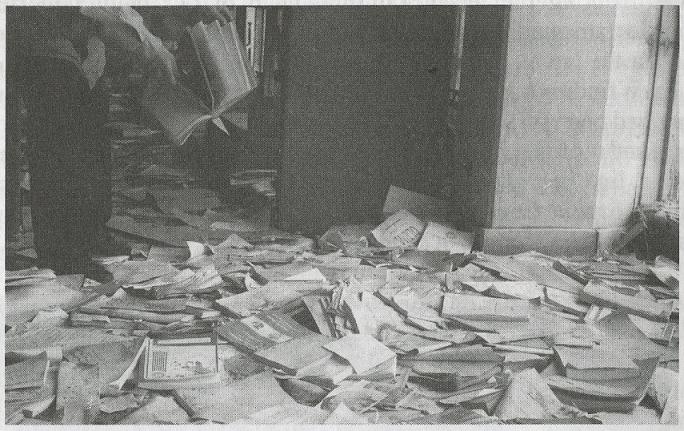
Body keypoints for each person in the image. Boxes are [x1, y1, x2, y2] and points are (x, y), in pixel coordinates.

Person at [7, 6, 232, 274]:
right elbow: (107, 12)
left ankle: (92, 234)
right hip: (42, 31)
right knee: (60, 147)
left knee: (93, 137)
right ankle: (61, 255)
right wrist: (152, 48)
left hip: (80, 35)